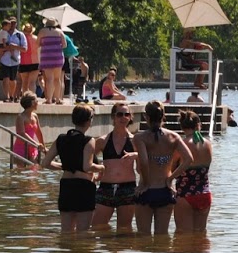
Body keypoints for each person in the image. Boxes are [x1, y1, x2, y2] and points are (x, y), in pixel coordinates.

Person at [133, 100, 193, 235]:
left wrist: (146, 183)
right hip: (165, 190)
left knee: (143, 236)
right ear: (163, 116)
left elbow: (144, 162)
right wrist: (171, 178)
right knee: (162, 235)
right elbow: (189, 159)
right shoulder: (174, 136)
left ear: (146, 117)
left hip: (146, 190)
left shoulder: (140, 137)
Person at [42, 104, 101, 234]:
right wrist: (102, 167)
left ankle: (66, 248)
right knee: (83, 232)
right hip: (84, 187)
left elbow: (45, 163)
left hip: (66, 186)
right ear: (89, 121)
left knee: (66, 231)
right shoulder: (89, 140)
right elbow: (87, 167)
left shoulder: (61, 139)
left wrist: (66, 166)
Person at [93, 102, 138, 234]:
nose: (123, 117)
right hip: (106, 187)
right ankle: (107, 247)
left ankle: (120, 247)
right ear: (113, 116)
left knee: (124, 229)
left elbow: (147, 161)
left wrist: (136, 155)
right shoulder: (102, 140)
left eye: (126, 114)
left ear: (130, 117)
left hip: (127, 188)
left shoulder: (135, 141)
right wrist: (97, 171)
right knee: (97, 226)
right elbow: (88, 158)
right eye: (119, 114)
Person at [172, 109, 214, 233]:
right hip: (205, 193)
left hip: (185, 194)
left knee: (183, 235)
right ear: (198, 125)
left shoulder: (182, 145)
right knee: (200, 234)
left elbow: (172, 168)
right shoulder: (208, 144)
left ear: (182, 126)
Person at [0, 16, 26, 102]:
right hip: (5, 60)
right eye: (11, 23)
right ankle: (7, 96)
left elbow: (24, 49)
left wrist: (15, 47)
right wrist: (6, 48)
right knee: (5, 78)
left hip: (15, 61)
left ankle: (12, 95)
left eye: (14, 23)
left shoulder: (20, 35)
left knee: (13, 79)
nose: (12, 25)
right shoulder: (3, 33)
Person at [36, 19, 66, 104]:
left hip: (46, 57)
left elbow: (37, 44)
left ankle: (49, 99)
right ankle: (58, 99)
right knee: (57, 79)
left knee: (49, 79)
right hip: (58, 57)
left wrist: (44, 44)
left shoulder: (42, 31)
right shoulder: (59, 32)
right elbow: (64, 45)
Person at [12, 92, 44, 166]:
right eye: (37, 101)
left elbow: (39, 132)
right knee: (21, 170)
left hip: (32, 147)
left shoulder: (35, 116)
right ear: (32, 103)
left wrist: (43, 147)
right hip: (21, 147)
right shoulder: (21, 117)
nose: (38, 103)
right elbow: (22, 134)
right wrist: (36, 144)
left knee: (35, 168)